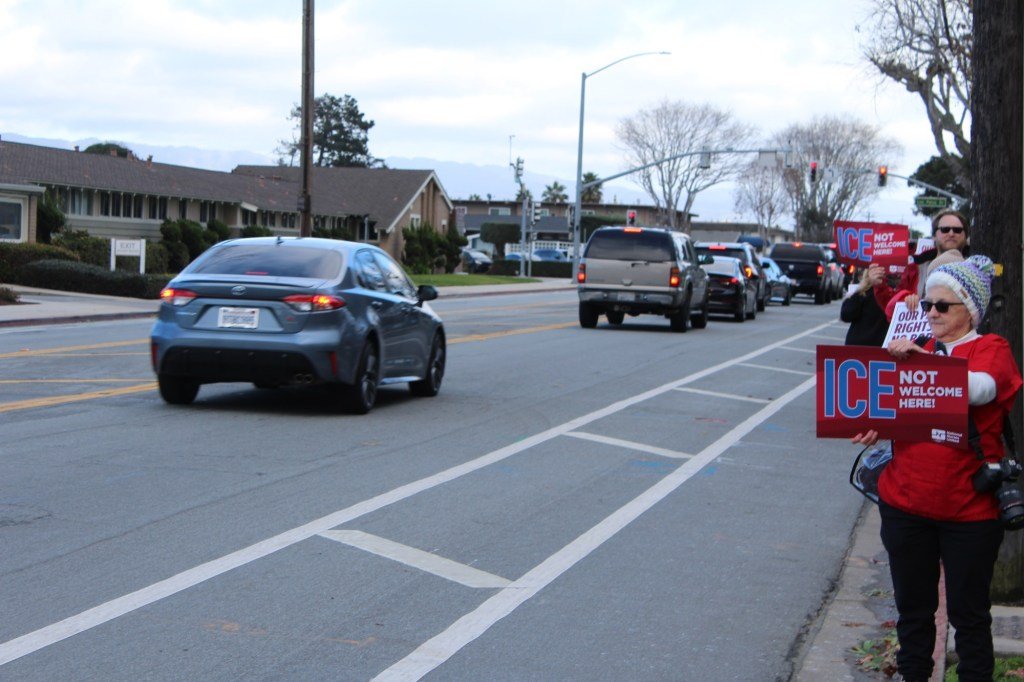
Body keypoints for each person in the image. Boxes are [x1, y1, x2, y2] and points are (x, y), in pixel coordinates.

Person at [852, 255, 1022, 682]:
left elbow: (981, 389)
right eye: (928, 304)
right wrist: (875, 420)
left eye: (943, 306)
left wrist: (922, 363)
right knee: (913, 617)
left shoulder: (991, 349)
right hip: (906, 504)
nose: (930, 313)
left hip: (970, 511)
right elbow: (891, 403)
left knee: (969, 619)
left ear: (970, 310)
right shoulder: (919, 348)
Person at [875, 209, 971, 320]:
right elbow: (891, 310)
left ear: (965, 236)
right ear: (934, 235)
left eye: (957, 230)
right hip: (921, 334)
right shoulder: (915, 267)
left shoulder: (976, 268)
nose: (951, 233)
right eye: (945, 229)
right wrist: (881, 286)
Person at [840, 264, 889, 346]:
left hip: (862, 347)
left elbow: (846, 314)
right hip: (874, 348)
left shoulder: (863, 293)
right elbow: (846, 314)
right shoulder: (863, 292)